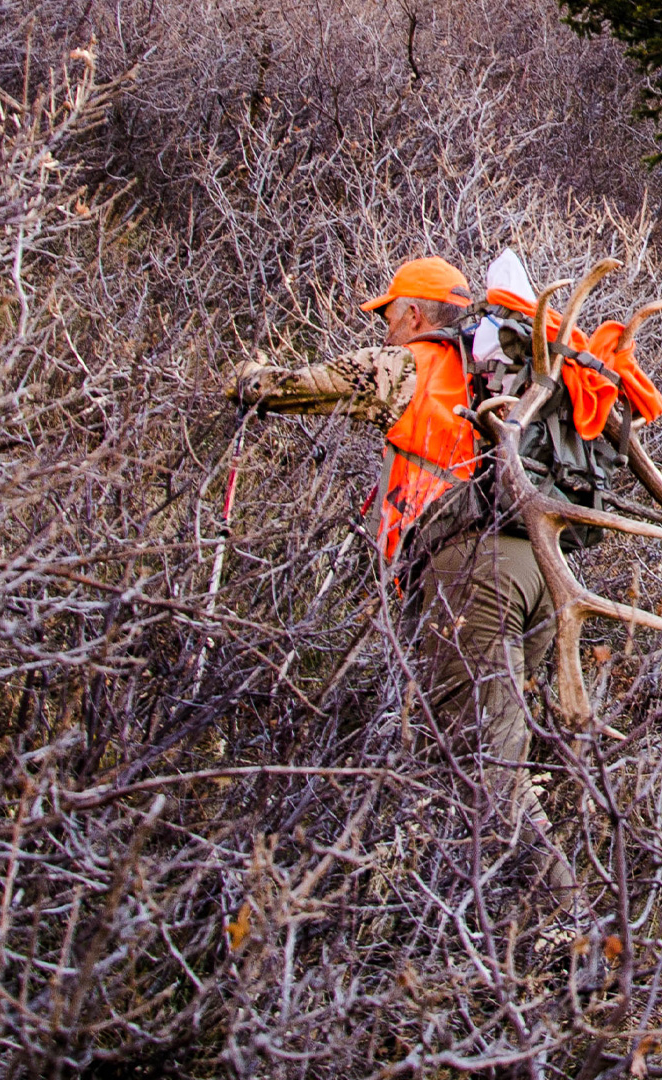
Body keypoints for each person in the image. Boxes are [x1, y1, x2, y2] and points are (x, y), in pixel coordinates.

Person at [229, 256, 573, 893]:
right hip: (536, 573)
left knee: (487, 774)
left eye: (387, 316)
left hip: (471, 576)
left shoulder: (418, 364)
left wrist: (246, 378)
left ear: (414, 314)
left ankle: (577, 935)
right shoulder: (493, 372)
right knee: (486, 758)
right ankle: (492, 922)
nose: (384, 328)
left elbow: (301, 386)